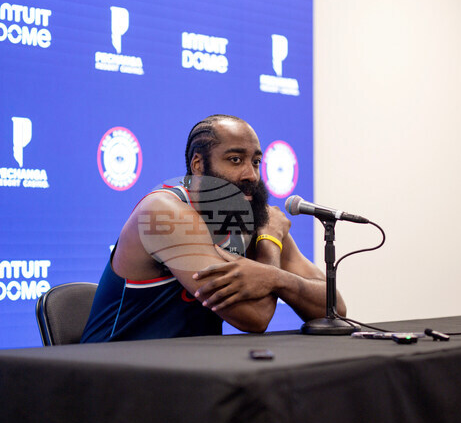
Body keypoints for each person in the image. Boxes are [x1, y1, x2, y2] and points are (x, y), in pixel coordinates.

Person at [80, 114, 346, 342]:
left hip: (183, 377)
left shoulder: (251, 217)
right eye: (234, 160)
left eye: (255, 162)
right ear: (198, 164)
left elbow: (334, 308)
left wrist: (276, 275)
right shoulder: (164, 214)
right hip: (113, 378)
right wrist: (268, 243)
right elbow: (255, 317)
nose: (250, 175)